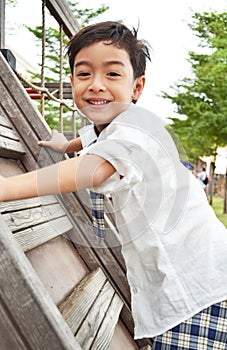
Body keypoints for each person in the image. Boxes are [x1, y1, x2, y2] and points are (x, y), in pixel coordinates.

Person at [1, 21, 227, 348]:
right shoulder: (125, 123)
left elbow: (93, 170)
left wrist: (6, 189)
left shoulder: (133, 132)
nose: (96, 85)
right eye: (84, 73)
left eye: (112, 74)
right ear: (72, 80)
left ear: (137, 88)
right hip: (202, 281)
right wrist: (69, 145)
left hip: (196, 291)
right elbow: (98, 136)